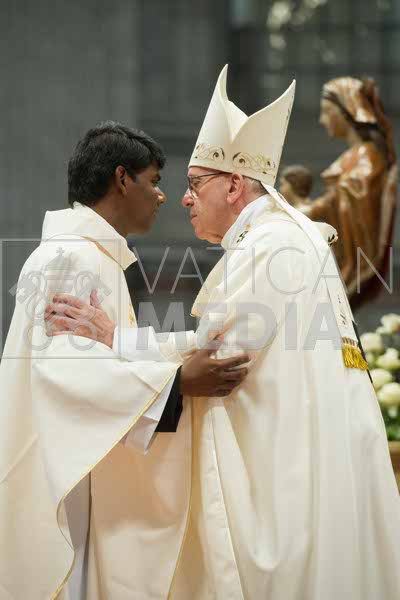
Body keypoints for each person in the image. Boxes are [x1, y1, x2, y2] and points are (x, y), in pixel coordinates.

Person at [53, 65, 400, 600]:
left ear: (235, 184)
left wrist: (116, 341)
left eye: (195, 184)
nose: (183, 199)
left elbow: (216, 360)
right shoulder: (290, 237)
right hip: (308, 463)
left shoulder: (271, 244)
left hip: (283, 479)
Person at [0, 122, 250, 600]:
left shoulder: (91, 255)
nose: (162, 196)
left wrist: (192, 346)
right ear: (121, 179)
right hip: (66, 474)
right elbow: (65, 375)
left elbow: (109, 351)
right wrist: (176, 384)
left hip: (83, 462)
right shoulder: (72, 257)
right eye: (153, 181)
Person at [319, 76, 397, 293]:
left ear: (347, 112)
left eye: (327, 111)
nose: (322, 120)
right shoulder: (355, 159)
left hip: (351, 268)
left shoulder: (367, 161)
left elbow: (363, 244)